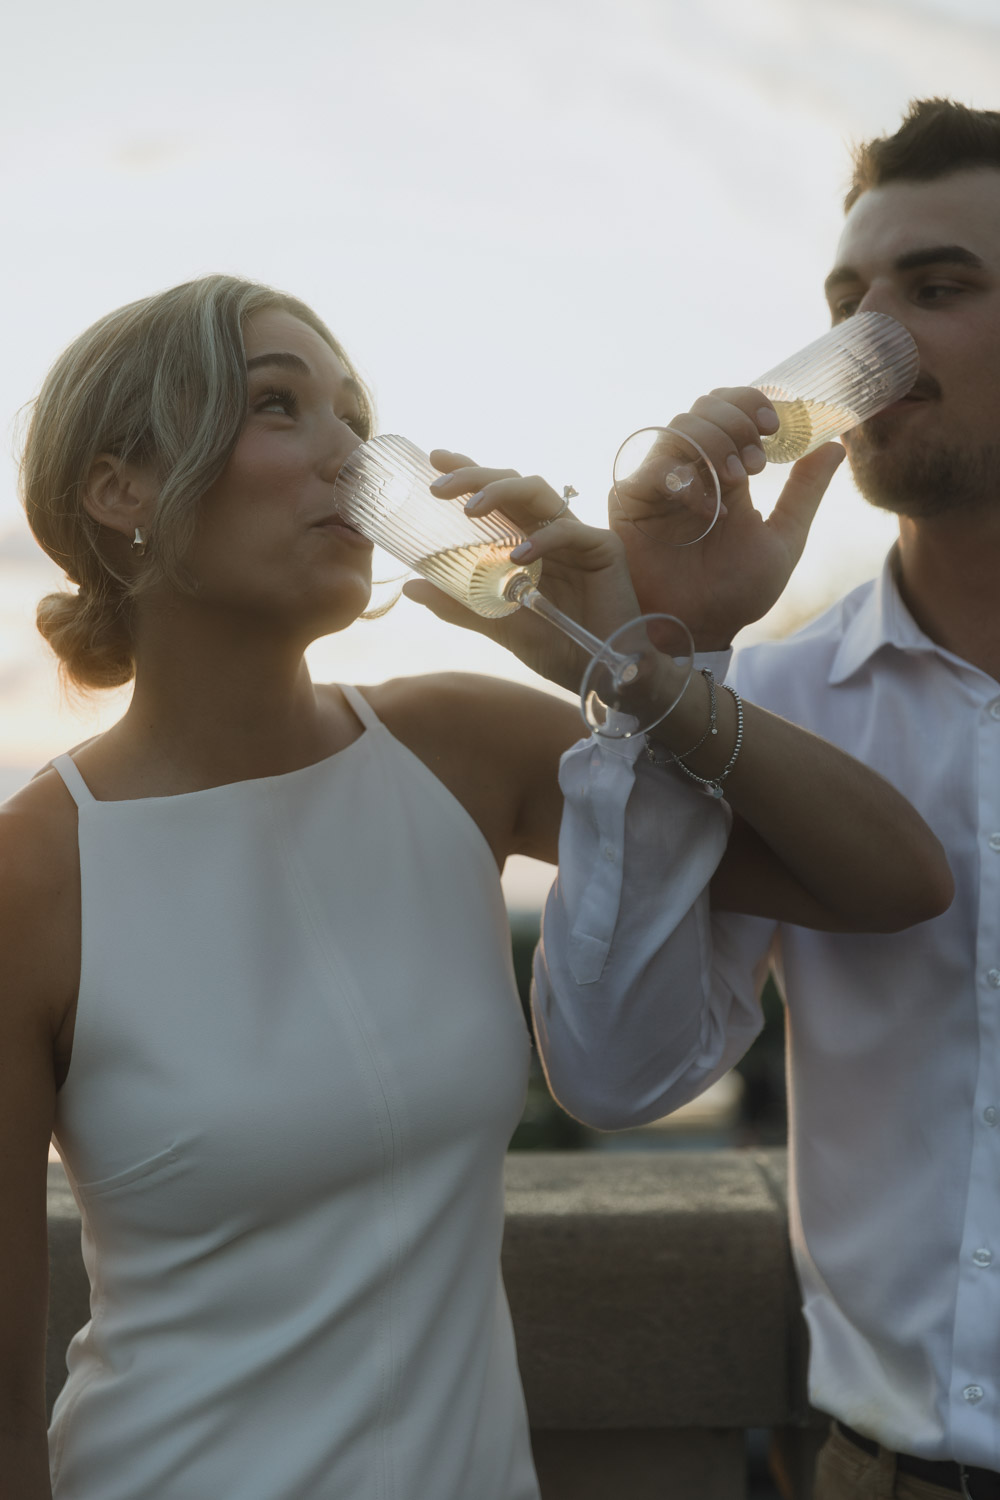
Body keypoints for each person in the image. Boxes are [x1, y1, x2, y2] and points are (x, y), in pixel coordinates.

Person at [0, 275, 949, 1500]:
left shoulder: (453, 746)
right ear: (121, 487)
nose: (349, 457)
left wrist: (619, 654)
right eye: (279, 407)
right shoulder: (34, 871)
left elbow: (890, 877)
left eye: (354, 415)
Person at [526, 98, 1000, 1500]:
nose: (876, 345)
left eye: (940, 289)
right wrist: (665, 653)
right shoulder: (772, 702)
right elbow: (620, 1075)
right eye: (849, 301)